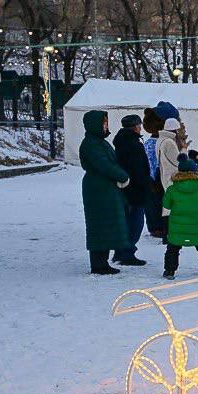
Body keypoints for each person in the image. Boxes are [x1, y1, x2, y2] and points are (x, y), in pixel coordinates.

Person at [79, 110, 130, 274]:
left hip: (105, 188)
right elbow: (103, 165)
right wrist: (122, 176)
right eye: (104, 123)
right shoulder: (91, 144)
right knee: (99, 225)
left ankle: (103, 261)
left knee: (107, 225)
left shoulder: (99, 142)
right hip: (97, 190)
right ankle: (98, 263)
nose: (106, 126)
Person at [161, 156, 198, 279]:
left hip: (177, 227)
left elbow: (166, 205)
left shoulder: (172, 189)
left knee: (173, 249)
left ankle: (169, 271)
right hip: (197, 226)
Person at [112, 114, 150, 266]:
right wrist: (145, 185)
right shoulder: (133, 145)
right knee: (135, 223)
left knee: (127, 221)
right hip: (135, 189)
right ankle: (127, 253)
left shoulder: (121, 142)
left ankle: (120, 251)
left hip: (126, 188)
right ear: (135, 127)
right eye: (139, 125)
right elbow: (138, 169)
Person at [155, 117, 183, 243]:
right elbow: (178, 161)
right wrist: (184, 149)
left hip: (164, 175)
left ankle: (167, 234)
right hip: (172, 177)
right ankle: (169, 234)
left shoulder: (160, 140)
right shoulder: (169, 142)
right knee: (171, 207)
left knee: (167, 205)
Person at [142, 107, 166, 238]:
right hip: (156, 178)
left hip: (153, 178)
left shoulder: (149, 143)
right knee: (156, 203)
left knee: (154, 203)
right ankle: (158, 227)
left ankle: (156, 226)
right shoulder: (157, 143)